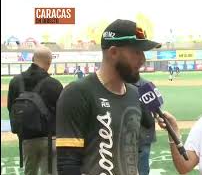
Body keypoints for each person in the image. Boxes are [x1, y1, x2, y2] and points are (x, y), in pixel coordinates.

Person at [56, 19, 161, 175]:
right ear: (113, 52)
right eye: (136, 52)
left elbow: (132, 155)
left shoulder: (135, 94)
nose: (143, 59)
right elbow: (67, 164)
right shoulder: (77, 93)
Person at [7, 46, 63, 175]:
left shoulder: (15, 82)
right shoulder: (54, 84)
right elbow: (62, 113)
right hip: (50, 139)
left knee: (29, 172)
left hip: (26, 138)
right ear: (49, 63)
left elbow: (11, 109)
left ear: (32, 59)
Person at [132, 77, 157, 175]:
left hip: (143, 135)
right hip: (127, 136)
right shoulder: (119, 85)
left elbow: (155, 112)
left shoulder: (146, 86)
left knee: (142, 169)